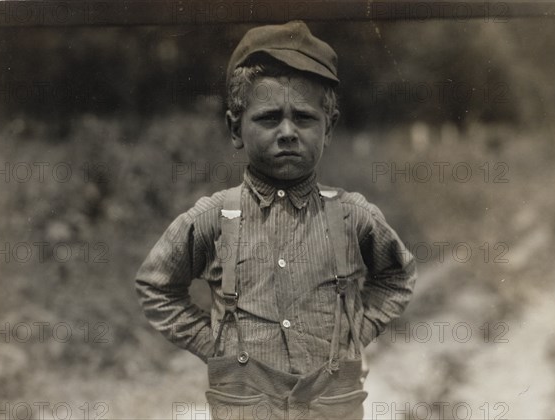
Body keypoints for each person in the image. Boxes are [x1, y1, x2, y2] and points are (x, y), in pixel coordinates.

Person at [135, 20, 417, 420]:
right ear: (236, 128)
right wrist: (213, 343)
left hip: (333, 405)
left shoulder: (353, 216)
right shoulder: (215, 217)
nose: (287, 132)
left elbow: (397, 276)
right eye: (269, 118)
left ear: (329, 127)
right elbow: (156, 285)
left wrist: (356, 332)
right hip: (245, 406)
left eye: (303, 118)